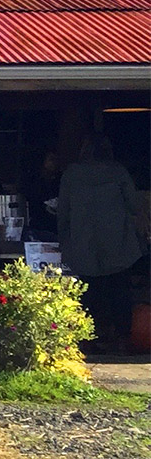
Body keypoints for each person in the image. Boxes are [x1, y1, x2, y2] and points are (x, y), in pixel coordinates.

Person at [58, 138, 145, 352]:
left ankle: (86, 339)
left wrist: (63, 240)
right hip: (118, 243)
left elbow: (63, 210)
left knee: (87, 293)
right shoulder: (118, 172)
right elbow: (134, 205)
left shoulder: (72, 173)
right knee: (120, 293)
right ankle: (122, 338)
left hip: (84, 242)